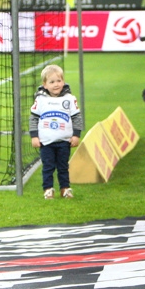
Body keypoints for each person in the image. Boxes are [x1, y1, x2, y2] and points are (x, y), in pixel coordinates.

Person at [30, 65, 83, 199]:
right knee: (48, 166)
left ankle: (65, 189)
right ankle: (48, 189)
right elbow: (33, 118)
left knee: (63, 166)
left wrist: (76, 135)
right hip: (46, 142)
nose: (56, 85)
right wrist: (34, 136)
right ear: (45, 85)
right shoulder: (40, 100)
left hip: (64, 141)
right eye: (52, 82)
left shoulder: (70, 99)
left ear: (63, 82)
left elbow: (77, 117)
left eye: (59, 81)